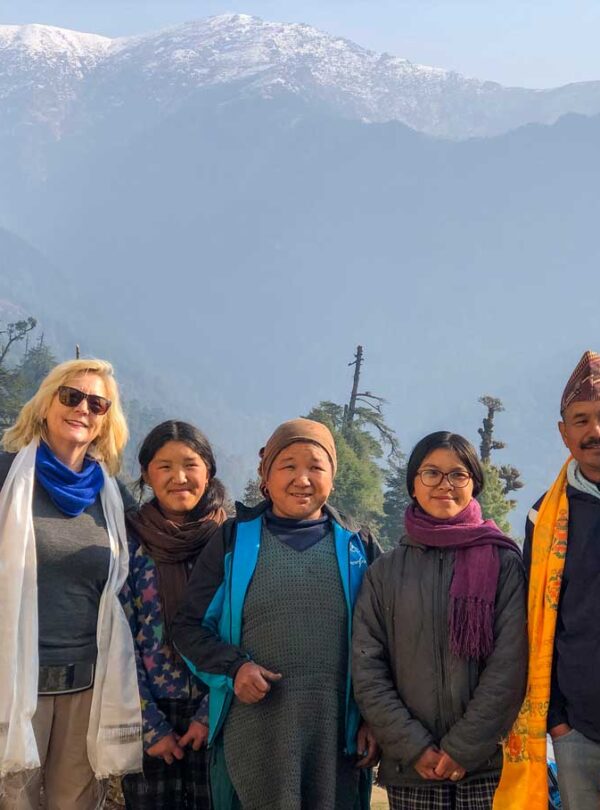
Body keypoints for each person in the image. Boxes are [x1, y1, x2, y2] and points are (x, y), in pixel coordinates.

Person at [172, 418, 379, 810]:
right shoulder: (233, 541)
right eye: (288, 466)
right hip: (254, 732)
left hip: (336, 737)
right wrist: (235, 669)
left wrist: (372, 718)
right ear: (266, 477)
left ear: (332, 477)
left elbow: (383, 639)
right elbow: (188, 628)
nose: (302, 479)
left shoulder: (359, 547)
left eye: (316, 467)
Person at [352, 431, 527, 810]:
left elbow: (510, 665)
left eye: (458, 474)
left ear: (474, 483)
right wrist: (413, 747)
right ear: (413, 484)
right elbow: (368, 668)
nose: (444, 484)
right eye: (431, 473)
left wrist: (464, 748)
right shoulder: (384, 573)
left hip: (489, 766)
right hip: (412, 767)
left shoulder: (504, 564)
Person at [0, 358, 142, 810]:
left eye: (97, 404)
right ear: (46, 404)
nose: (83, 408)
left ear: (105, 421)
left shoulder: (112, 495)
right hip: (13, 682)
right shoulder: (7, 476)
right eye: (71, 396)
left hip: (87, 688)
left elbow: (160, 540)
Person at [494, 350, 600, 810]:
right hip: (578, 732)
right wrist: (558, 720)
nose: (594, 431)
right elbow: (536, 620)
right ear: (563, 432)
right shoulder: (546, 516)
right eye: (581, 420)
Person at [120, 420, 227, 809]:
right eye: (164, 466)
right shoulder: (129, 542)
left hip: (220, 709)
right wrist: (150, 726)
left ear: (208, 471)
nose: (179, 478)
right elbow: (119, 639)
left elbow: (241, 630)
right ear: (146, 473)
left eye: (190, 465)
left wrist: (208, 714)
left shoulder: (229, 541)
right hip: (147, 712)